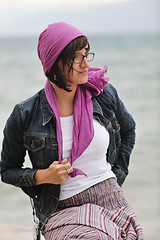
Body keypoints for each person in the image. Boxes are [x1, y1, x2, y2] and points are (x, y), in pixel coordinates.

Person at [0, 21, 144, 240]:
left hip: (111, 197)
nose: (85, 64)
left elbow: (129, 130)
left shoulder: (103, 95)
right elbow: (7, 170)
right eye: (77, 57)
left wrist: (117, 175)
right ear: (55, 62)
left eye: (87, 55)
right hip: (61, 208)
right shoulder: (25, 114)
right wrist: (43, 176)